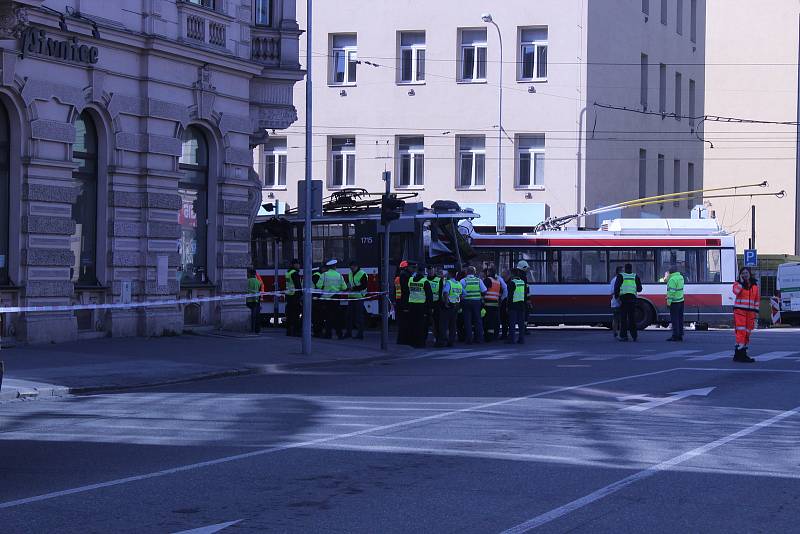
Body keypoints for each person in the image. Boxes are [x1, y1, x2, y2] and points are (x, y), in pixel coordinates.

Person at [732, 267, 759, 363]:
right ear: (740, 274)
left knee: (747, 333)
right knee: (741, 332)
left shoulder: (754, 286)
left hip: (750, 312)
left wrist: (756, 314)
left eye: (746, 273)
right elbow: (736, 292)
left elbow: (756, 300)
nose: (745, 274)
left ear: (749, 273)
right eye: (743, 273)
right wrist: (741, 282)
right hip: (740, 311)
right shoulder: (737, 284)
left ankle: (738, 354)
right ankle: (741, 354)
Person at [316, 259, 347, 339]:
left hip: (326, 299)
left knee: (328, 317)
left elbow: (318, 285)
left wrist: (325, 288)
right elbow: (344, 287)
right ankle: (339, 334)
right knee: (337, 317)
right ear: (335, 267)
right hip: (336, 298)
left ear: (328, 267)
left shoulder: (324, 275)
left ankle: (328, 334)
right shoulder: (339, 275)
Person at [614, 263, 643, 342]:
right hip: (633, 299)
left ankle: (623, 336)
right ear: (631, 268)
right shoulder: (635, 276)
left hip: (623, 299)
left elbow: (616, 288)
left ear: (625, 269)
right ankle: (634, 336)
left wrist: (617, 298)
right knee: (632, 318)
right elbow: (640, 289)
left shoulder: (620, 276)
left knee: (623, 318)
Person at [407, 263, 433, 348]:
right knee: (422, 326)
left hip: (412, 305)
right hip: (422, 306)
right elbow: (429, 296)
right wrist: (430, 308)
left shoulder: (410, 279)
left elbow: (408, 291)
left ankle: (412, 342)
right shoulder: (425, 281)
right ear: (423, 272)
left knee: (412, 324)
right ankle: (420, 343)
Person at [461, 266, 487, 344]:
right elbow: (484, 290)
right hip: (476, 302)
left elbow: (459, 290)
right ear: (474, 272)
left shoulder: (463, 280)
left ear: (466, 272)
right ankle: (479, 339)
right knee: (478, 320)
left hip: (466, 302)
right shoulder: (478, 280)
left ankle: (469, 339)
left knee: (467, 321)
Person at [438, 269, 462, 347]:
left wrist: (446, 303)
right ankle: (451, 341)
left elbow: (445, 292)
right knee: (453, 324)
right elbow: (464, 294)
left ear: (450, 274)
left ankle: (443, 341)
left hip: (449, 306)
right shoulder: (458, 283)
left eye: (448, 273)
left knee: (444, 324)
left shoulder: (449, 282)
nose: (447, 275)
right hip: (456, 306)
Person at [345, 260, 368, 339]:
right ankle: (348, 333)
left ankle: (360, 334)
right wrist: (347, 288)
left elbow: (364, 286)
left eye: (352, 268)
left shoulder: (362, 274)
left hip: (359, 297)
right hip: (351, 297)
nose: (351, 269)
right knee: (349, 316)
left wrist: (353, 289)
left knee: (359, 317)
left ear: (356, 266)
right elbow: (349, 283)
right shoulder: (350, 273)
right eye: (350, 268)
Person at [507, 266, 529, 344]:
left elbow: (509, 295)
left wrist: (507, 306)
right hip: (521, 305)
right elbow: (525, 294)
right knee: (521, 324)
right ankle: (521, 339)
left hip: (513, 305)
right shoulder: (522, 282)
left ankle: (511, 339)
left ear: (512, 274)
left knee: (512, 323)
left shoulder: (512, 282)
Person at [482, 268, 503, 341]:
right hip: (495, 304)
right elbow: (500, 293)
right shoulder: (497, 281)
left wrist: (482, 299)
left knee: (488, 321)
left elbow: (483, 290)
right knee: (495, 321)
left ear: (489, 273)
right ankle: (495, 336)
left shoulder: (488, 280)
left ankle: (489, 337)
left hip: (488, 304)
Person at [666, 266, 686, 342]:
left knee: (674, 320)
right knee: (680, 319)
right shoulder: (680, 277)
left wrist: (668, 303)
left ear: (670, 272)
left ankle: (675, 336)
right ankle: (680, 335)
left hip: (674, 302)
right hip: (681, 300)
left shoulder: (672, 279)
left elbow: (671, 292)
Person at [395, 260, 412, 345]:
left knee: (401, 322)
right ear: (406, 267)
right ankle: (404, 340)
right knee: (405, 322)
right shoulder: (405, 276)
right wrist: (406, 305)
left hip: (399, 301)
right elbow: (406, 291)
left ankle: (400, 340)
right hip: (404, 302)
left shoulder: (397, 276)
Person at [285, 258, 302, 337]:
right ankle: (296, 331)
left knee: (289, 315)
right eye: (297, 264)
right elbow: (298, 286)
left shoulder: (288, 272)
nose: (299, 265)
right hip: (295, 296)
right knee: (296, 315)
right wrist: (301, 296)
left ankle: (289, 331)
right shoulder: (295, 273)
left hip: (289, 295)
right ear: (294, 265)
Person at [426, 266, 443, 346]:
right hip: (426, 303)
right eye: (429, 269)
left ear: (434, 270)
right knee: (427, 322)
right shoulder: (425, 279)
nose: (430, 271)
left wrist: (439, 304)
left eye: (432, 269)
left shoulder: (439, 280)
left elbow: (440, 293)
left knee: (437, 323)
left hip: (436, 304)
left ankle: (437, 339)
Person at [246, 268, 263, 334]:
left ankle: (251, 329)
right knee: (255, 316)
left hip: (248, 301)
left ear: (250, 274)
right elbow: (259, 291)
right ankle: (255, 330)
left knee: (250, 316)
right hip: (256, 301)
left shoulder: (248, 281)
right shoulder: (258, 282)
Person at [610, 266, 623, 339]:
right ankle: (617, 333)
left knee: (617, 318)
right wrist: (619, 301)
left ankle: (616, 333)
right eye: (622, 271)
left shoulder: (614, 280)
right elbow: (613, 292)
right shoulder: (615, 280)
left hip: (617, 302)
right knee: (618, 318)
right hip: (617, 302)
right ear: (619, 272)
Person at [311, 265, 324, 337]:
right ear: (322, 268)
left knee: (316, 316)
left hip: (315, 297)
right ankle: (318, 332)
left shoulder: (316, 274)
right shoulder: (317, 275)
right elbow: (319, 286)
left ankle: (317, 331)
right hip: (316, 297)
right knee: (318, 316)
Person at [499, 269, 511, 340]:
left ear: (507, 274)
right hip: (504, 302)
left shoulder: (510, 282)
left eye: (503, 273)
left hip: (507, 302)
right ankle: (504, 334)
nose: (502, 274)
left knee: (507, 320)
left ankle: (506, 335)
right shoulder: (504, 282)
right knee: (504, 320)